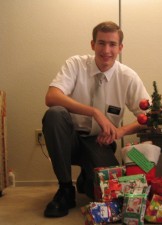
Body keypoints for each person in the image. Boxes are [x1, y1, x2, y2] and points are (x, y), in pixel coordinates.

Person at [42, 21, 150, 218]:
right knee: (55, 114)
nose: (106, 50)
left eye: (112, 44)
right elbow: (52, 97)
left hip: (99, 143)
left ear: (120, 48)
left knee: (107, 195)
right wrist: (94, 112)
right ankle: (65, 189)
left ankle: (86, 178)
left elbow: (149, 118)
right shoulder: (75, 64)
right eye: (101, 43)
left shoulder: (128, 77)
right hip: (70, 139)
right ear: (92, 44)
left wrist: (120, 131)